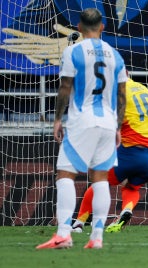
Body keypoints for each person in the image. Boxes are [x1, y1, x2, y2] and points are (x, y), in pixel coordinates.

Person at [36, 8, 127, 249]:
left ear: (78, 27)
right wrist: (117, 127)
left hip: (82, 120)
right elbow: (122, 94)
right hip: (108, 123)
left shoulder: (73, 51)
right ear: (103, 27)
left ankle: (64, 233)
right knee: (100, 179)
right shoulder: (115, 55)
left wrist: (57, 119)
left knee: (65, 174)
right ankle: (96, 237)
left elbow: (65, 87)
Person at [71, 76, 148, 233]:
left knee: (99, 181)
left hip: (131, 151)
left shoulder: (115, 93)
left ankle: (78, 224)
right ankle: (127, 210)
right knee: (132, 186)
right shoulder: (143, 89)